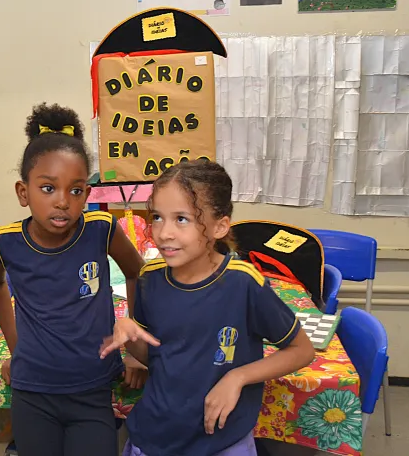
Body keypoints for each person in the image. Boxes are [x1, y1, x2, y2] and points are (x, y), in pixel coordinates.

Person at [102, 160, 316, 456]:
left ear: (220, 226)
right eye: (158, 217)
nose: (163, 233)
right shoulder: (150, 278)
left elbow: (302, 351)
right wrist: (130, 336)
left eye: (182, 219)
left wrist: (237, 377)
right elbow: (160, 357)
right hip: (155, 436)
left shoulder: (243, 284)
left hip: (220, 442)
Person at [0, 103, 147, 456]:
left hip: (93, 389)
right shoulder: (6, 242)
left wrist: (135, 348)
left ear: (87, 194)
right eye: (48, 188)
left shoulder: (101, 229)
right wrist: (16, 348)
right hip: (33, 392)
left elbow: (137, 272)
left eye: (75, 191)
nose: (62, 202)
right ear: (23, 192)